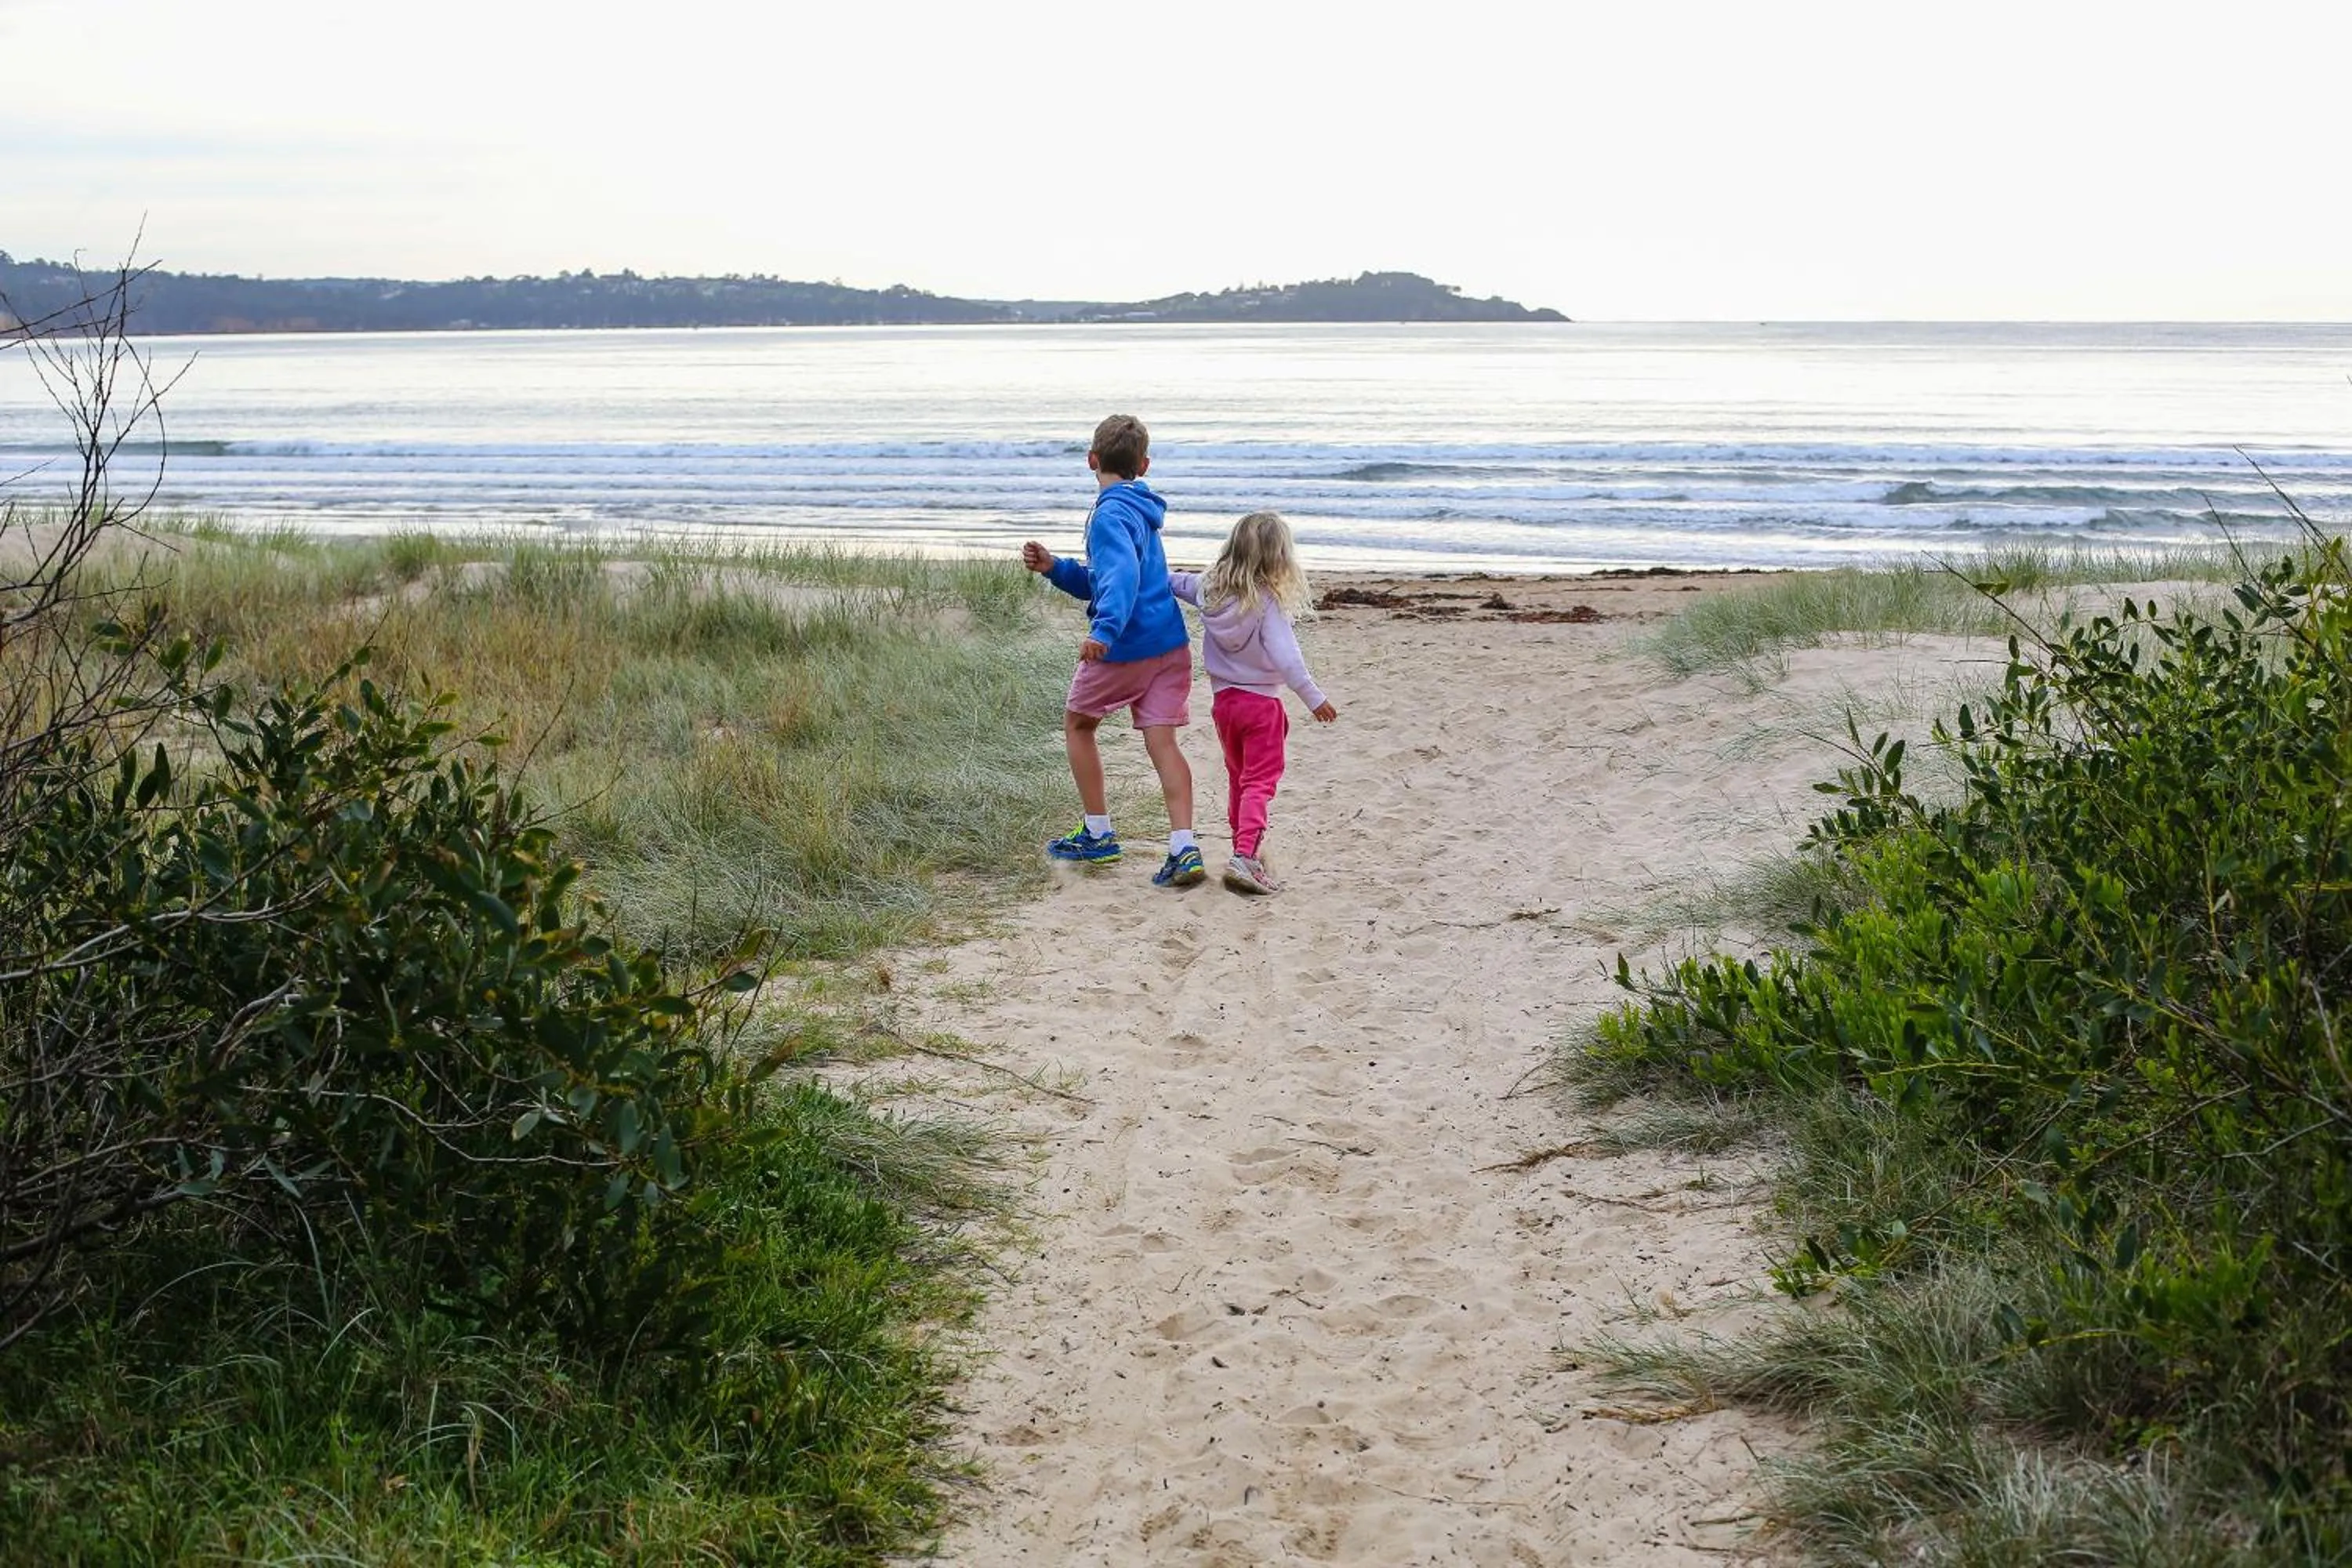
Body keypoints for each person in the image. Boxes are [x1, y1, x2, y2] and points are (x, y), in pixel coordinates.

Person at [1018, 414, 1207, 888]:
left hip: (1125, 648)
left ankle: (1098, 832)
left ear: (1091, 460)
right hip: (1170, 645)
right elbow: (1107, 579)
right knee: (1163, 743)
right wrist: (1056, 568)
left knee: (1079, 724)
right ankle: (1184, 846)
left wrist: (1103, 632)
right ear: (1143, 465)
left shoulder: (1108, 515)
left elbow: (1119, 581)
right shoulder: (1143, 511)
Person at [1168, 510, 1337, 895]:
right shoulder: (1265, 602)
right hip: (1261, 707)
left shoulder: (1209, 590)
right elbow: (1287, 657)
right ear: (1278, 558)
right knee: (1260, 782)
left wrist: (1144, 573)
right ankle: (1245, 856)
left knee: (1239, 779)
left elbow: (1173, 582)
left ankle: (1242, 850)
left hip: (1224, 705)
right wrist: (1313, 697)